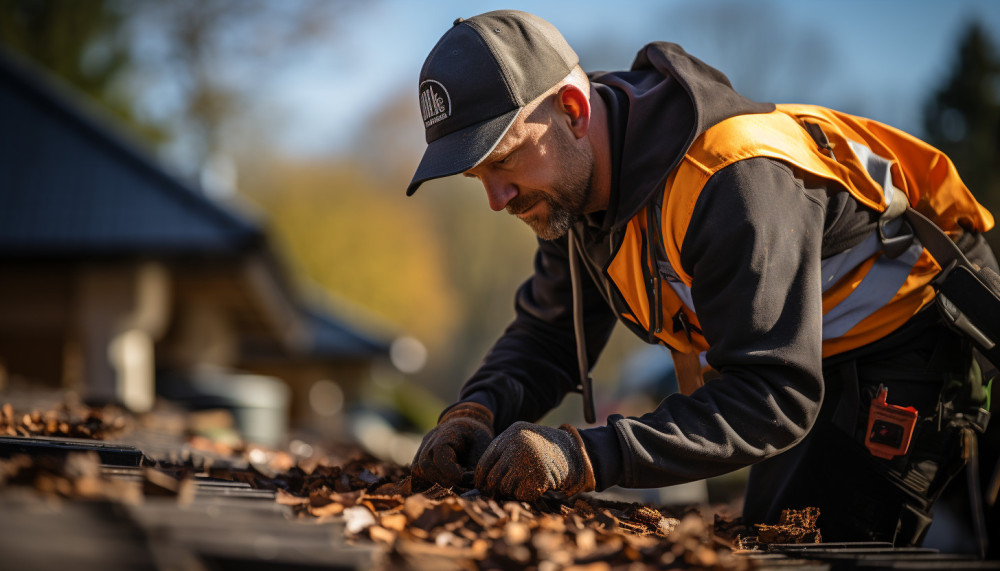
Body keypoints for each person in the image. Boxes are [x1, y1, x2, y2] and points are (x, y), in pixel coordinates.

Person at [404, 10, 996, 546]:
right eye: (476, 177)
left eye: (504, 160)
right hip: (806, 360)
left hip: (910, 336)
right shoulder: (570, 188)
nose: (495, 198)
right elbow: (547, 335)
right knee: (771, 535)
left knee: (811, 547)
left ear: (574, 111)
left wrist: (584, 454)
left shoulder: (728, 178)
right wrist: (475, 412)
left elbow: (774, 396)